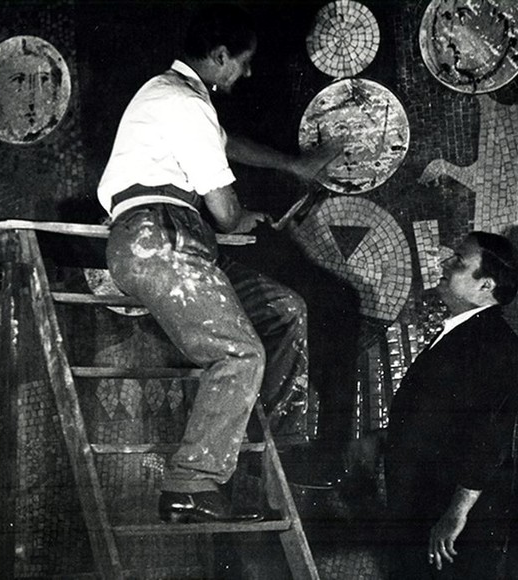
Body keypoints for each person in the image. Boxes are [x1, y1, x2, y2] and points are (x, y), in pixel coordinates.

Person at [97, 4, 334, 523]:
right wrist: (244, 217)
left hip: (173, 239)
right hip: (157, 236)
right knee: (239, 352)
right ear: (220, 55)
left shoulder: (181, 98)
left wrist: (294, 165)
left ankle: (246, 449)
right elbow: (225, 212)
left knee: (285, 311)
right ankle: (191, 485)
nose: (246, 74)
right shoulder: (183, 101)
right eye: (243, 62)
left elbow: (227, 145)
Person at [384, 231, 518, 579]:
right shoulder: (465, 332)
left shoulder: (494, 345)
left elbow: (490, 437)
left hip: (448, 523)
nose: (445, 264)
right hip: (424, 505)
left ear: (486, 285)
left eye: (459, 262)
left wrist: (456, 513)